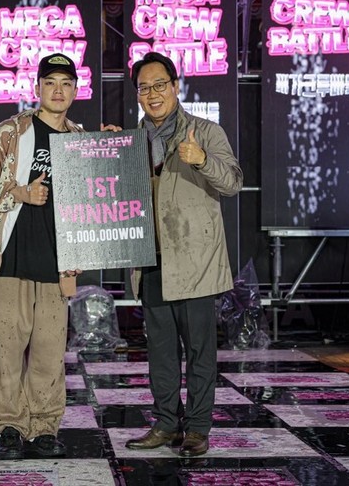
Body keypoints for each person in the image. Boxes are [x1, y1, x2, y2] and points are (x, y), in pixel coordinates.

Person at [125, 52, 243, 457]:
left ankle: (197, 429)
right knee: (160, 352)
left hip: (196, 262)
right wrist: (106, 152)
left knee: (198, 351)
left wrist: (203, 160)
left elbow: (233, 183)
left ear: (175, 87)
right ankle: (165, 424)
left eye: (160, 85)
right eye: (144, 88)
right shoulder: (131, 140)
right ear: (138, 95)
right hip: (151, 259)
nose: (153, 94)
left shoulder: (205, 132)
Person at [0, 53, 83, 459]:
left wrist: (113, 147)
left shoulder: (81, 139)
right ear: (37, 88)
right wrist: (20, 192)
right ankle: (8, 427)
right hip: (7, 258)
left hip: (57, 261)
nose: (58, 90)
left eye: (65, 83)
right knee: (3, 350)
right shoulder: (10, 132)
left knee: (50, 352)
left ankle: (44, 426)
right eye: (50, 82)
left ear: (75, 90)